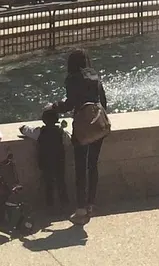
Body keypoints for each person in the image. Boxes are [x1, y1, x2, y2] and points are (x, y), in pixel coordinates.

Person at [57, 49, 109, 219]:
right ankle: (90, 204)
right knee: (92, 165)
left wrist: (55, 107)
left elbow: (70, 103)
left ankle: (80, 207)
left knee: (81, 166)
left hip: (82, 127)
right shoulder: (94, 76)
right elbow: (104, 102)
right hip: (98, 126)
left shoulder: (72, 79)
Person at [37, 104, 69, 211]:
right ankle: (65, 205)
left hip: (45, 161)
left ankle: (50, 206)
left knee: (49, 183)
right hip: (59, 160)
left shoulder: (39, 131)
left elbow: (23, 129)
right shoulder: (61, 132)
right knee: (61, 182)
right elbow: (68, 139)